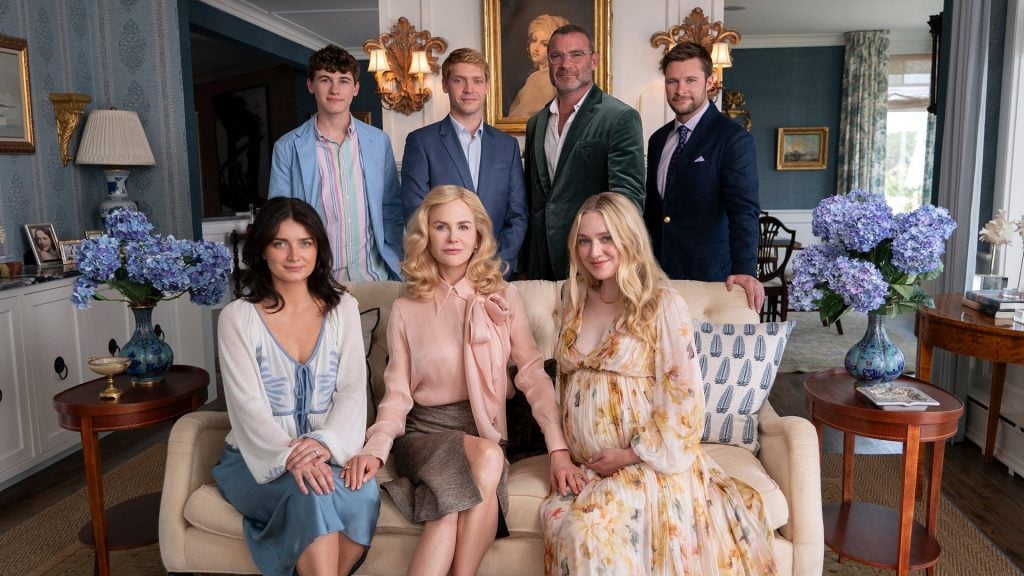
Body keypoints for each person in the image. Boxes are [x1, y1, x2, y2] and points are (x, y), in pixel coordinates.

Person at [344, 185, 581, 575]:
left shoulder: (502, 296)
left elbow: (533, 376)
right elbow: (397, 394)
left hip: (483, 428)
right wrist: (376, 448)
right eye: (441, 227)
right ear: (426, 235)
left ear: (478, 237)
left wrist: (557, 447)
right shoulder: (405, 308)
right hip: (425, 434)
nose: (453, 237)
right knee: (487, 460)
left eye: (463, 227)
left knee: (448, 512)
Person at [541, 192, 778, 575]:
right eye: (584, 241)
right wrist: (563, 452)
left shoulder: (661, 304)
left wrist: (631, 454)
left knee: (588, 530)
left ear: (629, 239)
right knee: (556, 516)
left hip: (649, 464)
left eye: (606, 238)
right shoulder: (574, 300)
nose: (594, 251)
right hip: (588, 467)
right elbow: (563, 389)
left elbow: (684, 399)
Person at [213, 197, 380, 576]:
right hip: (258, 458)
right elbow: (247, 408)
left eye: (305, 242)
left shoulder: (344, 309)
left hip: (330, 452)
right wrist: (290, 456)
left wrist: (322, 445)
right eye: (280, 243)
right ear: (262, 250)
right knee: (311, 496)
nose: (294, 255)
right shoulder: (237, 318)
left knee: (363, 493)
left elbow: (353, 390)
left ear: (318, 248)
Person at [643, 41, 764, 311]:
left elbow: (743, 210)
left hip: (710, 277)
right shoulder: (658, 139)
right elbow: (653, 209)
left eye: (690, 80)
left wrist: (745, 269)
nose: (680, 90)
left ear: (710, 82)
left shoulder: (733, 139)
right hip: (657, 275)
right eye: (672, 81)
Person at [269, 44, 403, 281]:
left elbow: (390, 208)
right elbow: (279, 219)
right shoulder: (287, 147)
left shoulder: (378, 142)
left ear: (356, 88)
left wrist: (397, 258)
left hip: (375, 277)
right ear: (310, 85)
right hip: (318, 281)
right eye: (325, 80)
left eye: (343, 80)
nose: (334, 89)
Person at [522, 24, 645, 281]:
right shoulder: (536, 123)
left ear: (594, 60)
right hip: (541, 265)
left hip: (593, 261)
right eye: (557, 56)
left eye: (576, 54)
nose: (566, 64)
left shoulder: (619, 117)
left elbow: (628, 199)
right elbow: (536, 200)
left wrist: (605, 255)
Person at [401, 48, 527, 277]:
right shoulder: (421, 142)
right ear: (445, 85)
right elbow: (415, 213)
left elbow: (517, 216)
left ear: (487, 87)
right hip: (440, 273)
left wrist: (494, 267)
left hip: (494, 272)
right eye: (459, 80)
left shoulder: (507, 146)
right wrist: (446, 267)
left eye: (477, 81)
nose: (469, 89)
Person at [508, 14, 569, 118]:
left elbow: (522, 119)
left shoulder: (540, 79)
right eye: (534, 40)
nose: (535, 48)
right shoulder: (552, 76)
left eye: (544, 44)